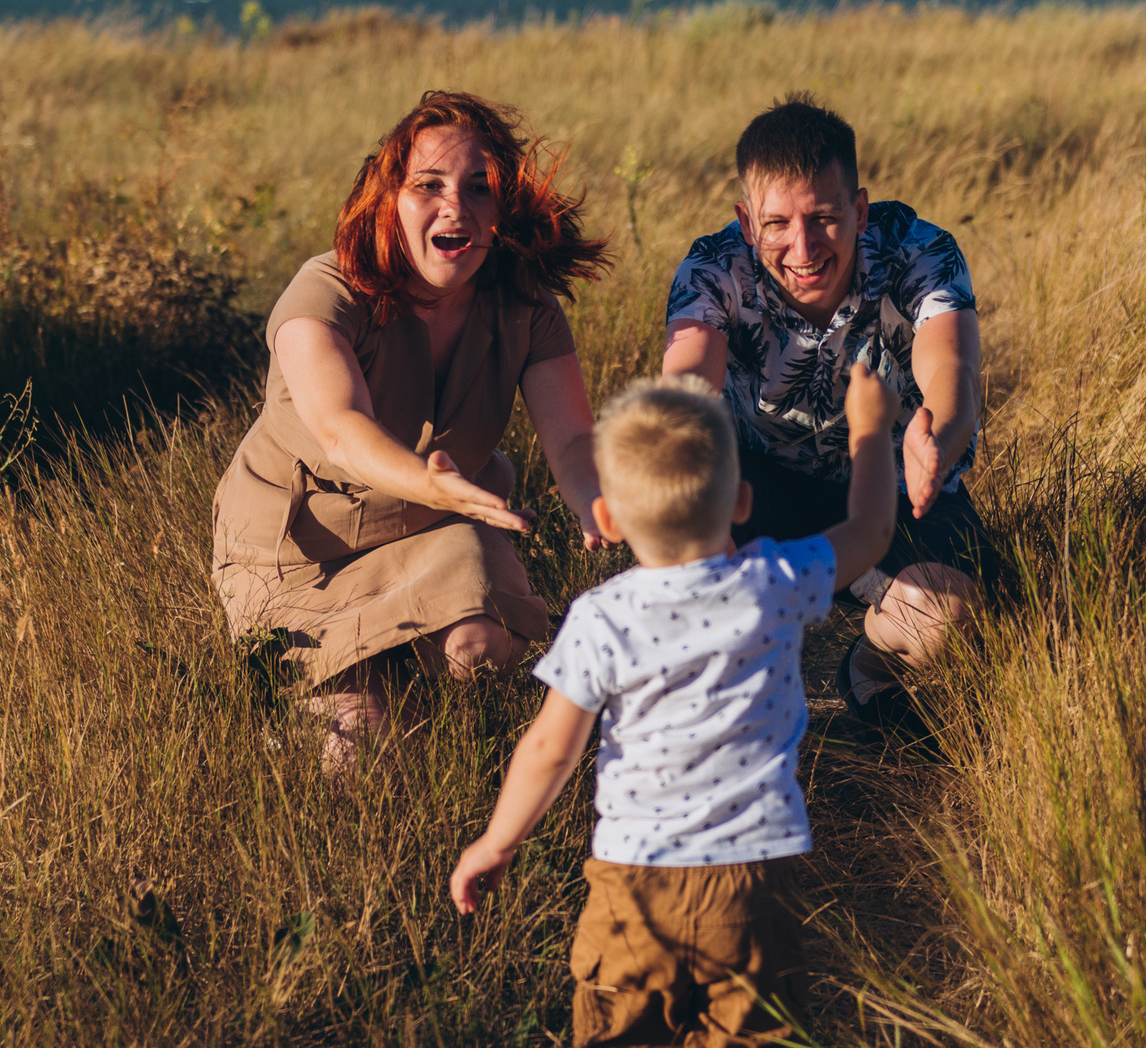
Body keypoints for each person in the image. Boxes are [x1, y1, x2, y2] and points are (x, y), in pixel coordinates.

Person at [449, 365, 900, 1047]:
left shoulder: (602, 617)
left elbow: (550, 747)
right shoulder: (776, 581)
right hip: (753, 879)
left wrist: (497, 840)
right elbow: (869, 531)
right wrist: (870, 429)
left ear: (607, 516)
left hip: (634, 883)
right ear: (742, 500)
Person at [212, 90, 611, 770]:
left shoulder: (524, 306)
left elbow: (572, 443)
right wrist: (434, 483)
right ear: (388, 199)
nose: (455, 205)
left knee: (480, 646)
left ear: (502, 209)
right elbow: (341, 428)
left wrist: (598, 503)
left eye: (479, 188)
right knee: (357, 752)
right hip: (302, 553)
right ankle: (346, 694)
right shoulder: (327, 293)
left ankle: (419, 680)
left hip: (432, 532)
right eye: (428, 185)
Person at [660, 94, 982, 730]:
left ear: (860, 210)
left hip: (897, 483)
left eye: (825, 218)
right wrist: (686, 485)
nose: (802, 247)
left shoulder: (921, 251)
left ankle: (866, 667)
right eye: (776, 224)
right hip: (761, 485)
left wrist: (938, 435)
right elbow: (689, 375)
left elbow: (951, 366)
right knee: (679, 573)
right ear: (747, 223)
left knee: (949, 624)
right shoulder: (712, 267)